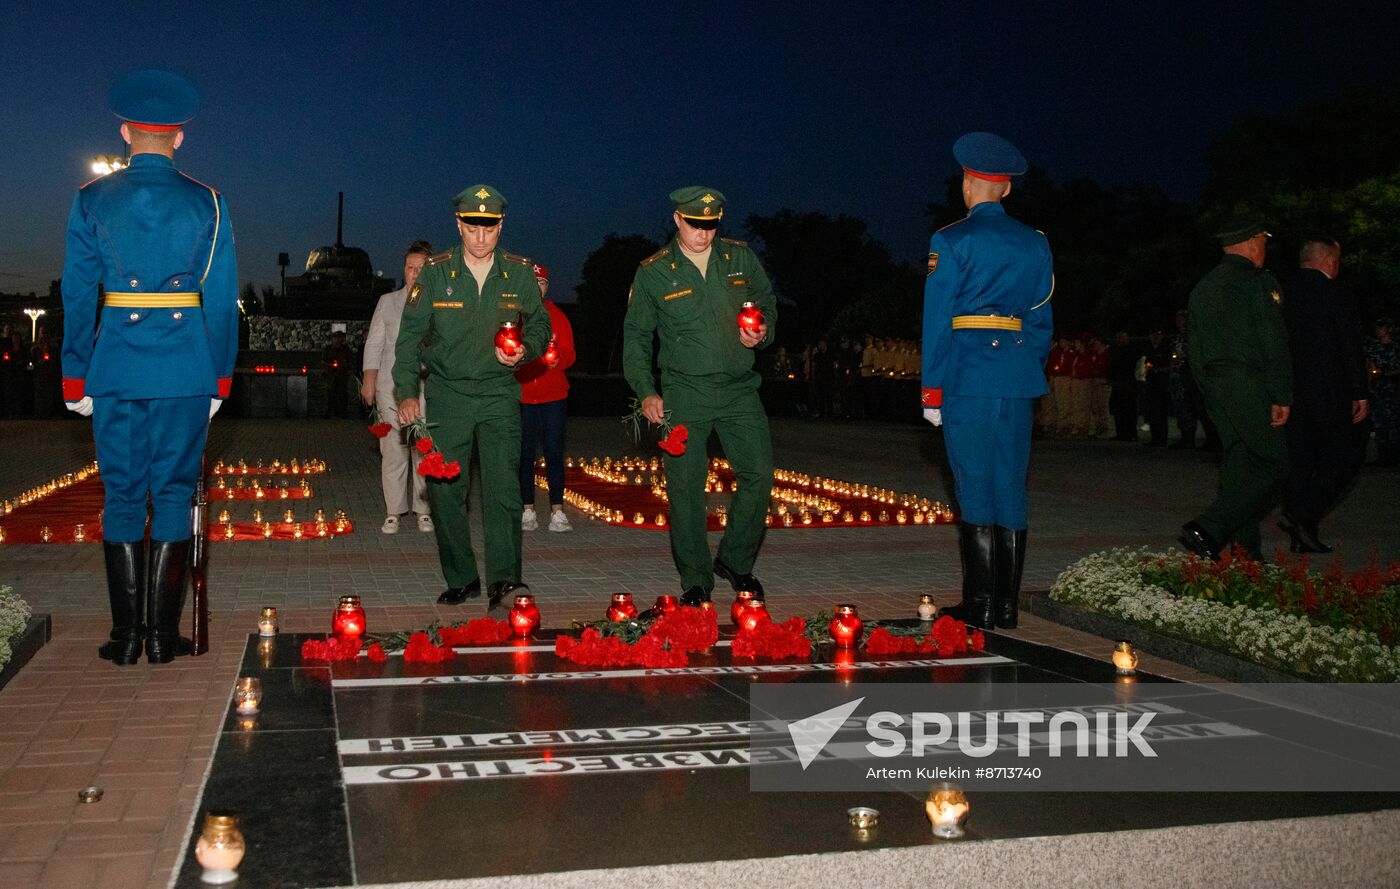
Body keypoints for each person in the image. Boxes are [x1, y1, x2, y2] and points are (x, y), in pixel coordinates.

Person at [61, 68, 237, 664]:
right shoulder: (208, 202)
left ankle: (125, 637)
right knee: (173, 492)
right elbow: (220, 298)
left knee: (122, 496)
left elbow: (79, 296)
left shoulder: (91, 200)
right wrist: (219, 375)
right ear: (179, 138)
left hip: (114, 370)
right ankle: (163, 637)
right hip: (186, 369)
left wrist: (74, 374)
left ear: (124, 132)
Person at [394, 185, 550, 609]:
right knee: (446, 492)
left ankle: (504, 581)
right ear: (458, 225)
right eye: (472, 229)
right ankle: (462, 577)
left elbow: (540, 327)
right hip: (448, 397)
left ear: (501, 226)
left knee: (502, 489)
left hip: (500, 394)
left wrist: (525, 350)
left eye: (490, 229)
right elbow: (408, 340)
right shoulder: (436, 273)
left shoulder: (519, 272)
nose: (481, 239)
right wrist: (407, 393)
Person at [922, 132, 1054, 630]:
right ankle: (1005, 607)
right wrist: (1023, 365)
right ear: (1006, 190)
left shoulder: (951, 240)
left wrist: (932, 389)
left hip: (968, 376)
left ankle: (978, 606)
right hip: (1018, 379)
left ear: (968, 184)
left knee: (973, 485)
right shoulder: (1035, 243)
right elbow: (1041, 321)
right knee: (1011, 487)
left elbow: (937, 321)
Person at [622, 187, 777, 605]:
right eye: (695, 225)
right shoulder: (654, 271)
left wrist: (761, 331)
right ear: (677, 219)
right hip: (684, 392)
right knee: (686, 488)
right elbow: (636, 337)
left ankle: (735, 560)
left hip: (740, 390)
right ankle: (695, 579)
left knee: (759, 475)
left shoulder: (740, 258)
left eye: (711, 225)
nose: (703, 234)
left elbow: (766, 303)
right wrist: (646, 391)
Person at [1179, 213, 1290, 561]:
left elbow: (1193, 348)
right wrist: (1281, 393)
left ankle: (1247, 556)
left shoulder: (1204, 287)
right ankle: (1210, 527)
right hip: (1249, 383)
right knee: (1277, 461)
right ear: (1253, 242)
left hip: (1215, 385)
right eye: (1264, 241)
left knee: (1240, 466)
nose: (1265, 248)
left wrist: (1208, 387)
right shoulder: (1258, 282)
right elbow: (1273, 341)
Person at [1277, 238, 1369, 553]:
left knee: (1300, 460)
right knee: (1348, 455)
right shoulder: (1335, 292)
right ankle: (1304, 513)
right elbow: (1348, 342)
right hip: (1330, 392)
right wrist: (1359, 390)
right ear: (1329, 260)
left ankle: (1303, 527)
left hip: (1290, 393)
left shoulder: (1280, 292)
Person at [362, 240, 434, 534]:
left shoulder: (440, 304)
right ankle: (393, 511)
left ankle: (424, 510)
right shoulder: (387, 302)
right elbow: (375, 342)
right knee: (393, 449)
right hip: (390, 388)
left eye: (421, 268)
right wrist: (370, 379)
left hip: (426, 387)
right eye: (410, 267)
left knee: (425, 449)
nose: (414, 273)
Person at [517, 262, 576, 533]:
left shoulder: (557, 316)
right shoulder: (516, 318)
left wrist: (557, 359)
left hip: (553, 396)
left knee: (554, 452)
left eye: (541, 283)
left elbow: (571, 354)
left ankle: (557, 511)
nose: (537, 288)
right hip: (524, 397)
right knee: (524, 454)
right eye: (532, 283)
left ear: (546, 286)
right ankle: (527, 510)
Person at [1168, 309, 1200, 448]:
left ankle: (1190, 437)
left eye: (1182, 319)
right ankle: (1185, 436)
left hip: (1189, 375)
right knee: (1180, 406)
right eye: (1178, 319)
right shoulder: (1177, 338)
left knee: (1190, 406)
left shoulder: (1193, 336)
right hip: (1177, 375)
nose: (1180, 322)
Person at [1108, 330, 1141, 441]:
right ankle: (1121, 433)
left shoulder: (1132, 351)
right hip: (1118, 384)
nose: (1120, 340)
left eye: (1122, 337)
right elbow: (1112, 367)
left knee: (1129, 410)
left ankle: (1131, 433)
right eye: (1118, 337)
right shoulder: (1115, 351)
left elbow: (1135, 368)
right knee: (1119, 410)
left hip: (1129, 383)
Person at [1142, 328, 1172, 446]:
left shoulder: (1166, 349)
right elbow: (1147, 364)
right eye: (1153, 335)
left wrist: (1159, 370)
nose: (1155, 337)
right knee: (1152, 410)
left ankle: (1162, 438)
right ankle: (1155, 437)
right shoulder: (1149, 349)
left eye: (1157, 335)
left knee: (1161, 411)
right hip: (1151, 383)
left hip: (1162, 383)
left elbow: (1170, 366)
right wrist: (1149, 368)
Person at [322, 330, 354, 418]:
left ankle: (343, 413)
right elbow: (323, 361)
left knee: (342, 394)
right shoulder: (328, 349)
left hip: (342, 374)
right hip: (331, 374)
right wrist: (331, 366)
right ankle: (330, 412)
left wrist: (344, 366)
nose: (337, 340)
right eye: (335, 338)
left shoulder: (345, 349)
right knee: (331, 394)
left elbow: (350, 360)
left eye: (339, 338)